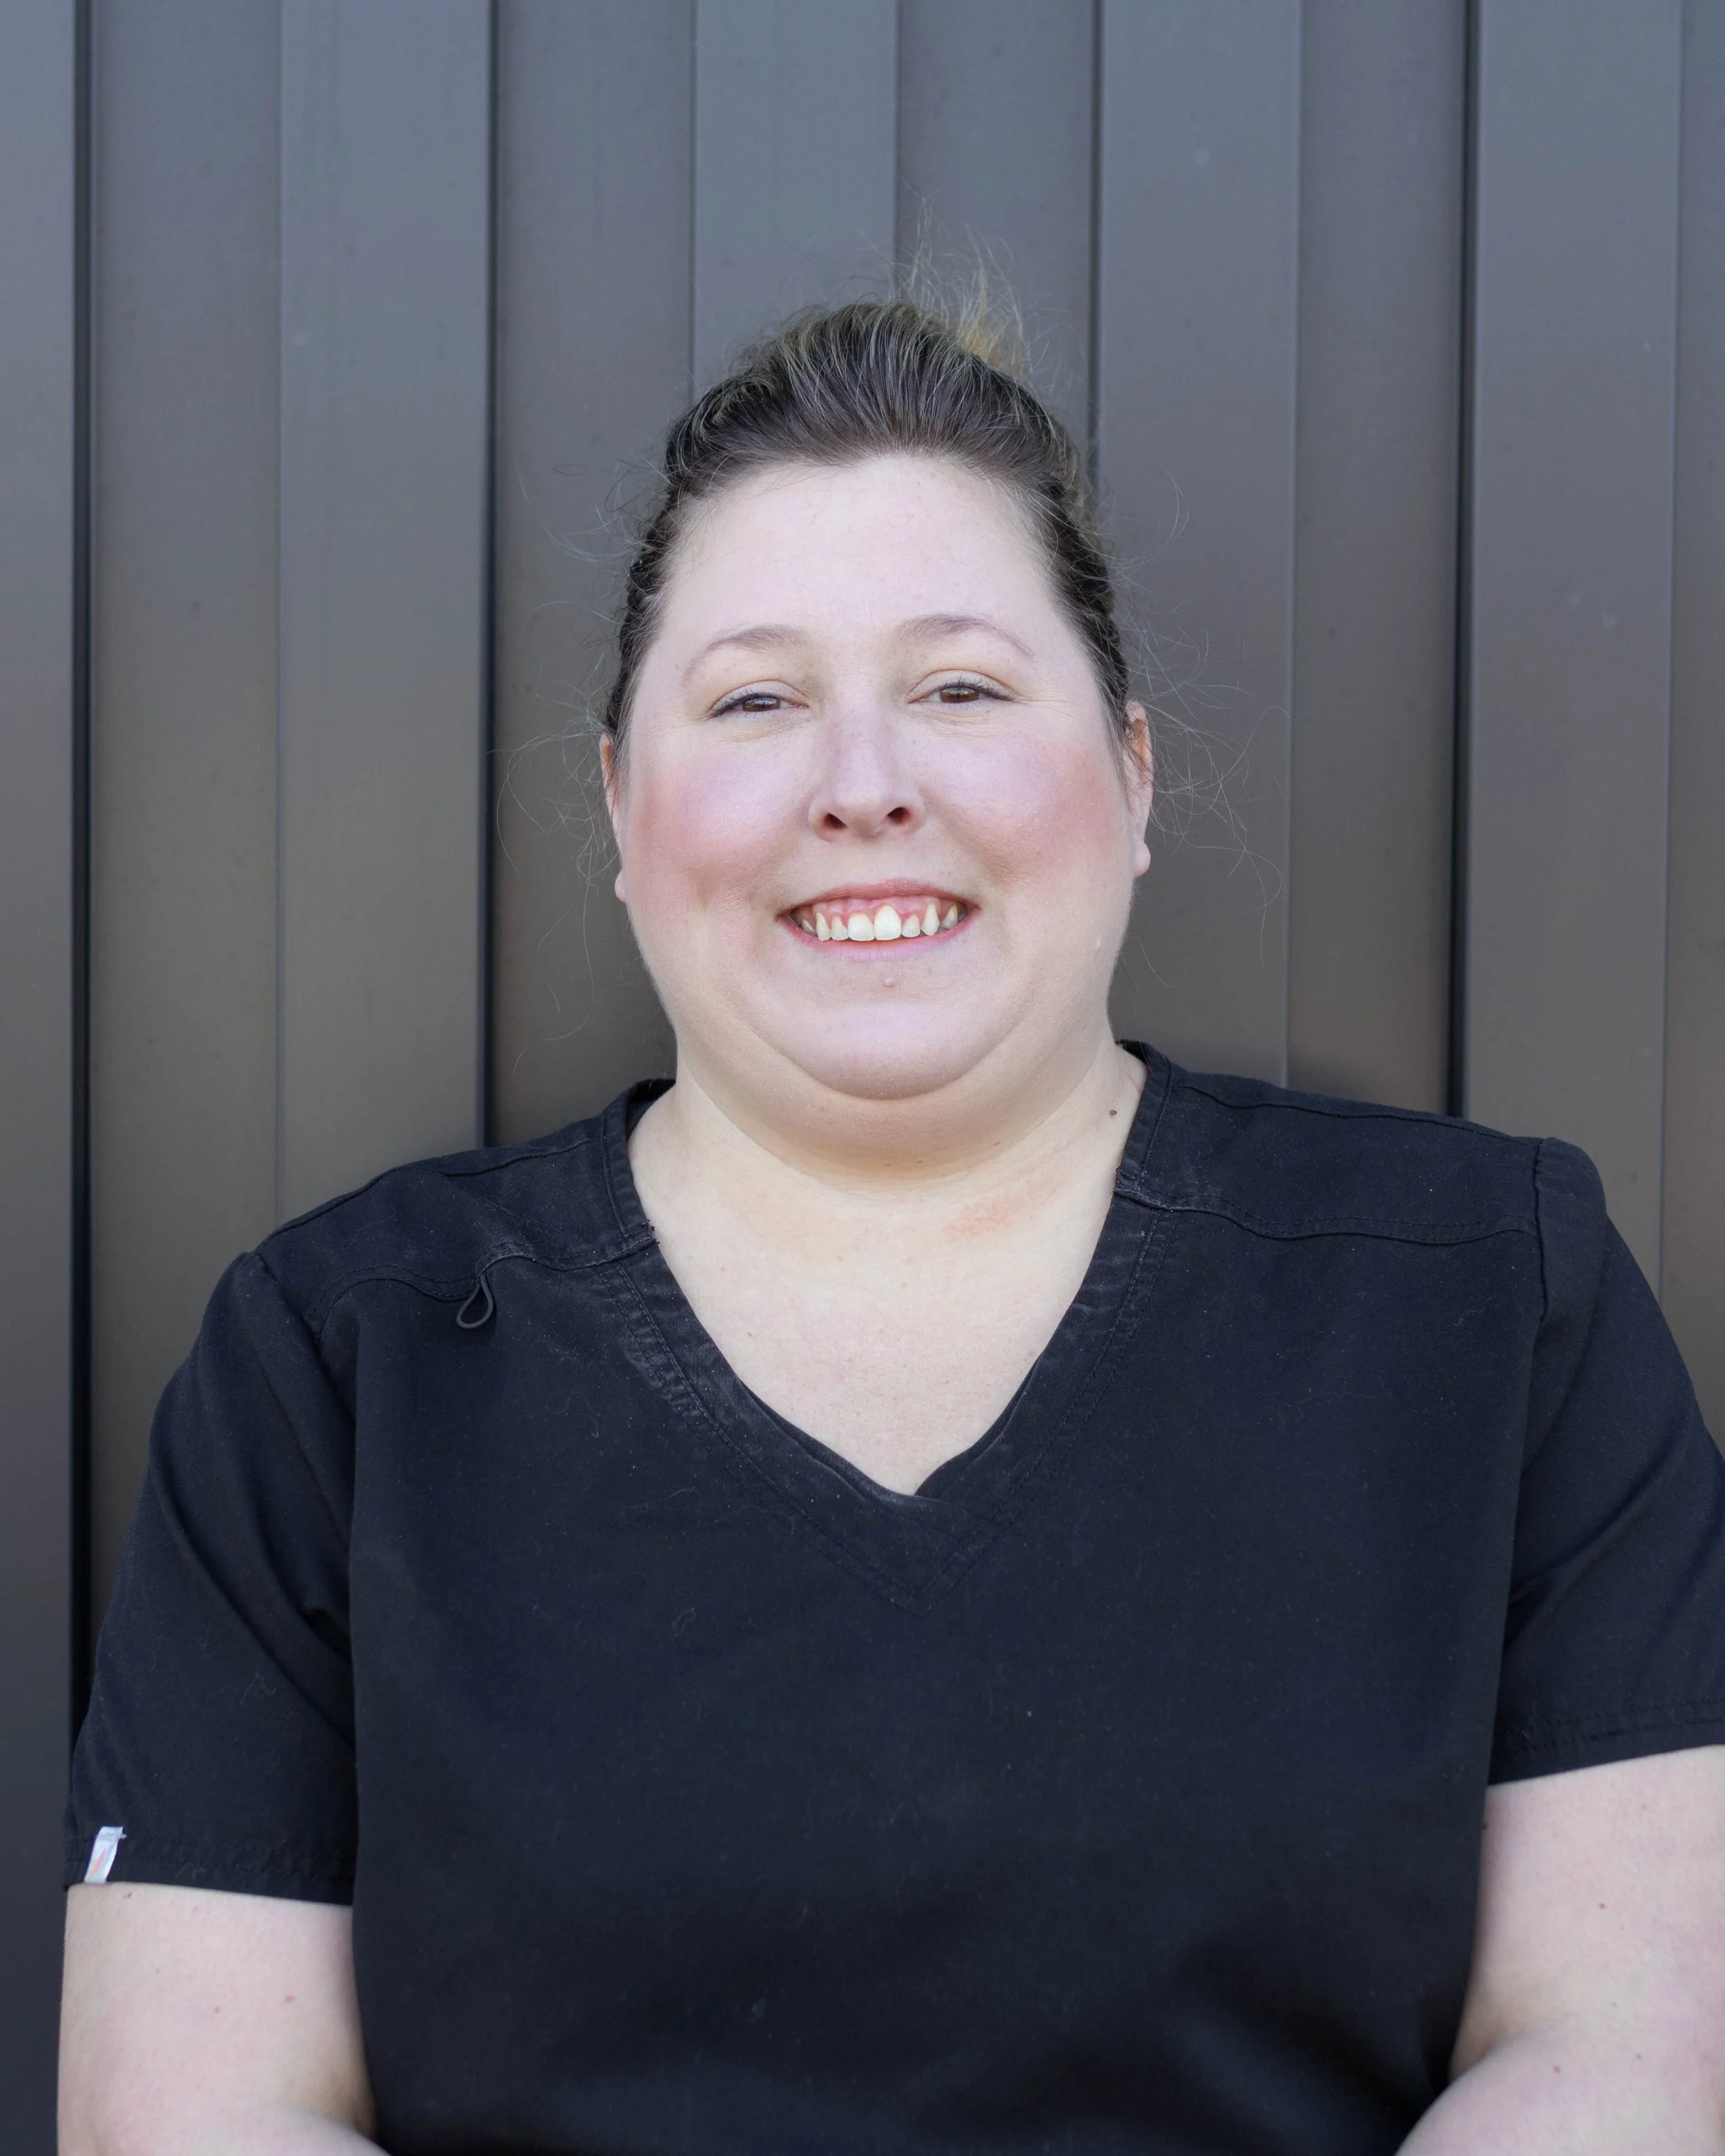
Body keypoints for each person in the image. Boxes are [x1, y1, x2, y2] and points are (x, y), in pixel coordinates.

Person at [59, 297, 1725, 2155]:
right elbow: (196, 2107)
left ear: (1133, 772)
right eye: (756, 698)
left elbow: (1619, 2049)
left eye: (959, 688)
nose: (864, 781)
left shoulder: (1494, 1299)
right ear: (622, 803)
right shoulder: (333, 1361)